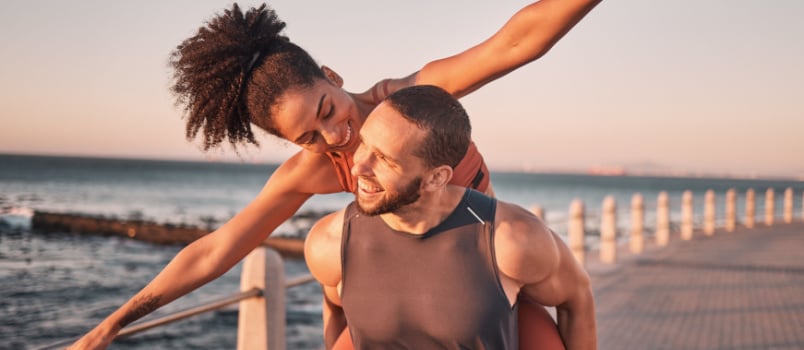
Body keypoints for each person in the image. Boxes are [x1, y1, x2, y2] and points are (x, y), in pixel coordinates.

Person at [67, 1, 601, 349]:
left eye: (327, 111)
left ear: (331, 76)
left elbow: (515, 43)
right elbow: (215, 250)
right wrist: (110, 326)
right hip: (394, 300)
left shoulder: (411, 98)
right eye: (307, 137)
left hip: (483, 288)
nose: (336, 139)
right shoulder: (315, 169)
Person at [305, 85, 597, 349]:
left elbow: (577, 297)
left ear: (435, 178)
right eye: (364, 144)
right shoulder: (329, 243)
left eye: (384, 159)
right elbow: (335, 309)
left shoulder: (509, 239)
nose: (358, 168)